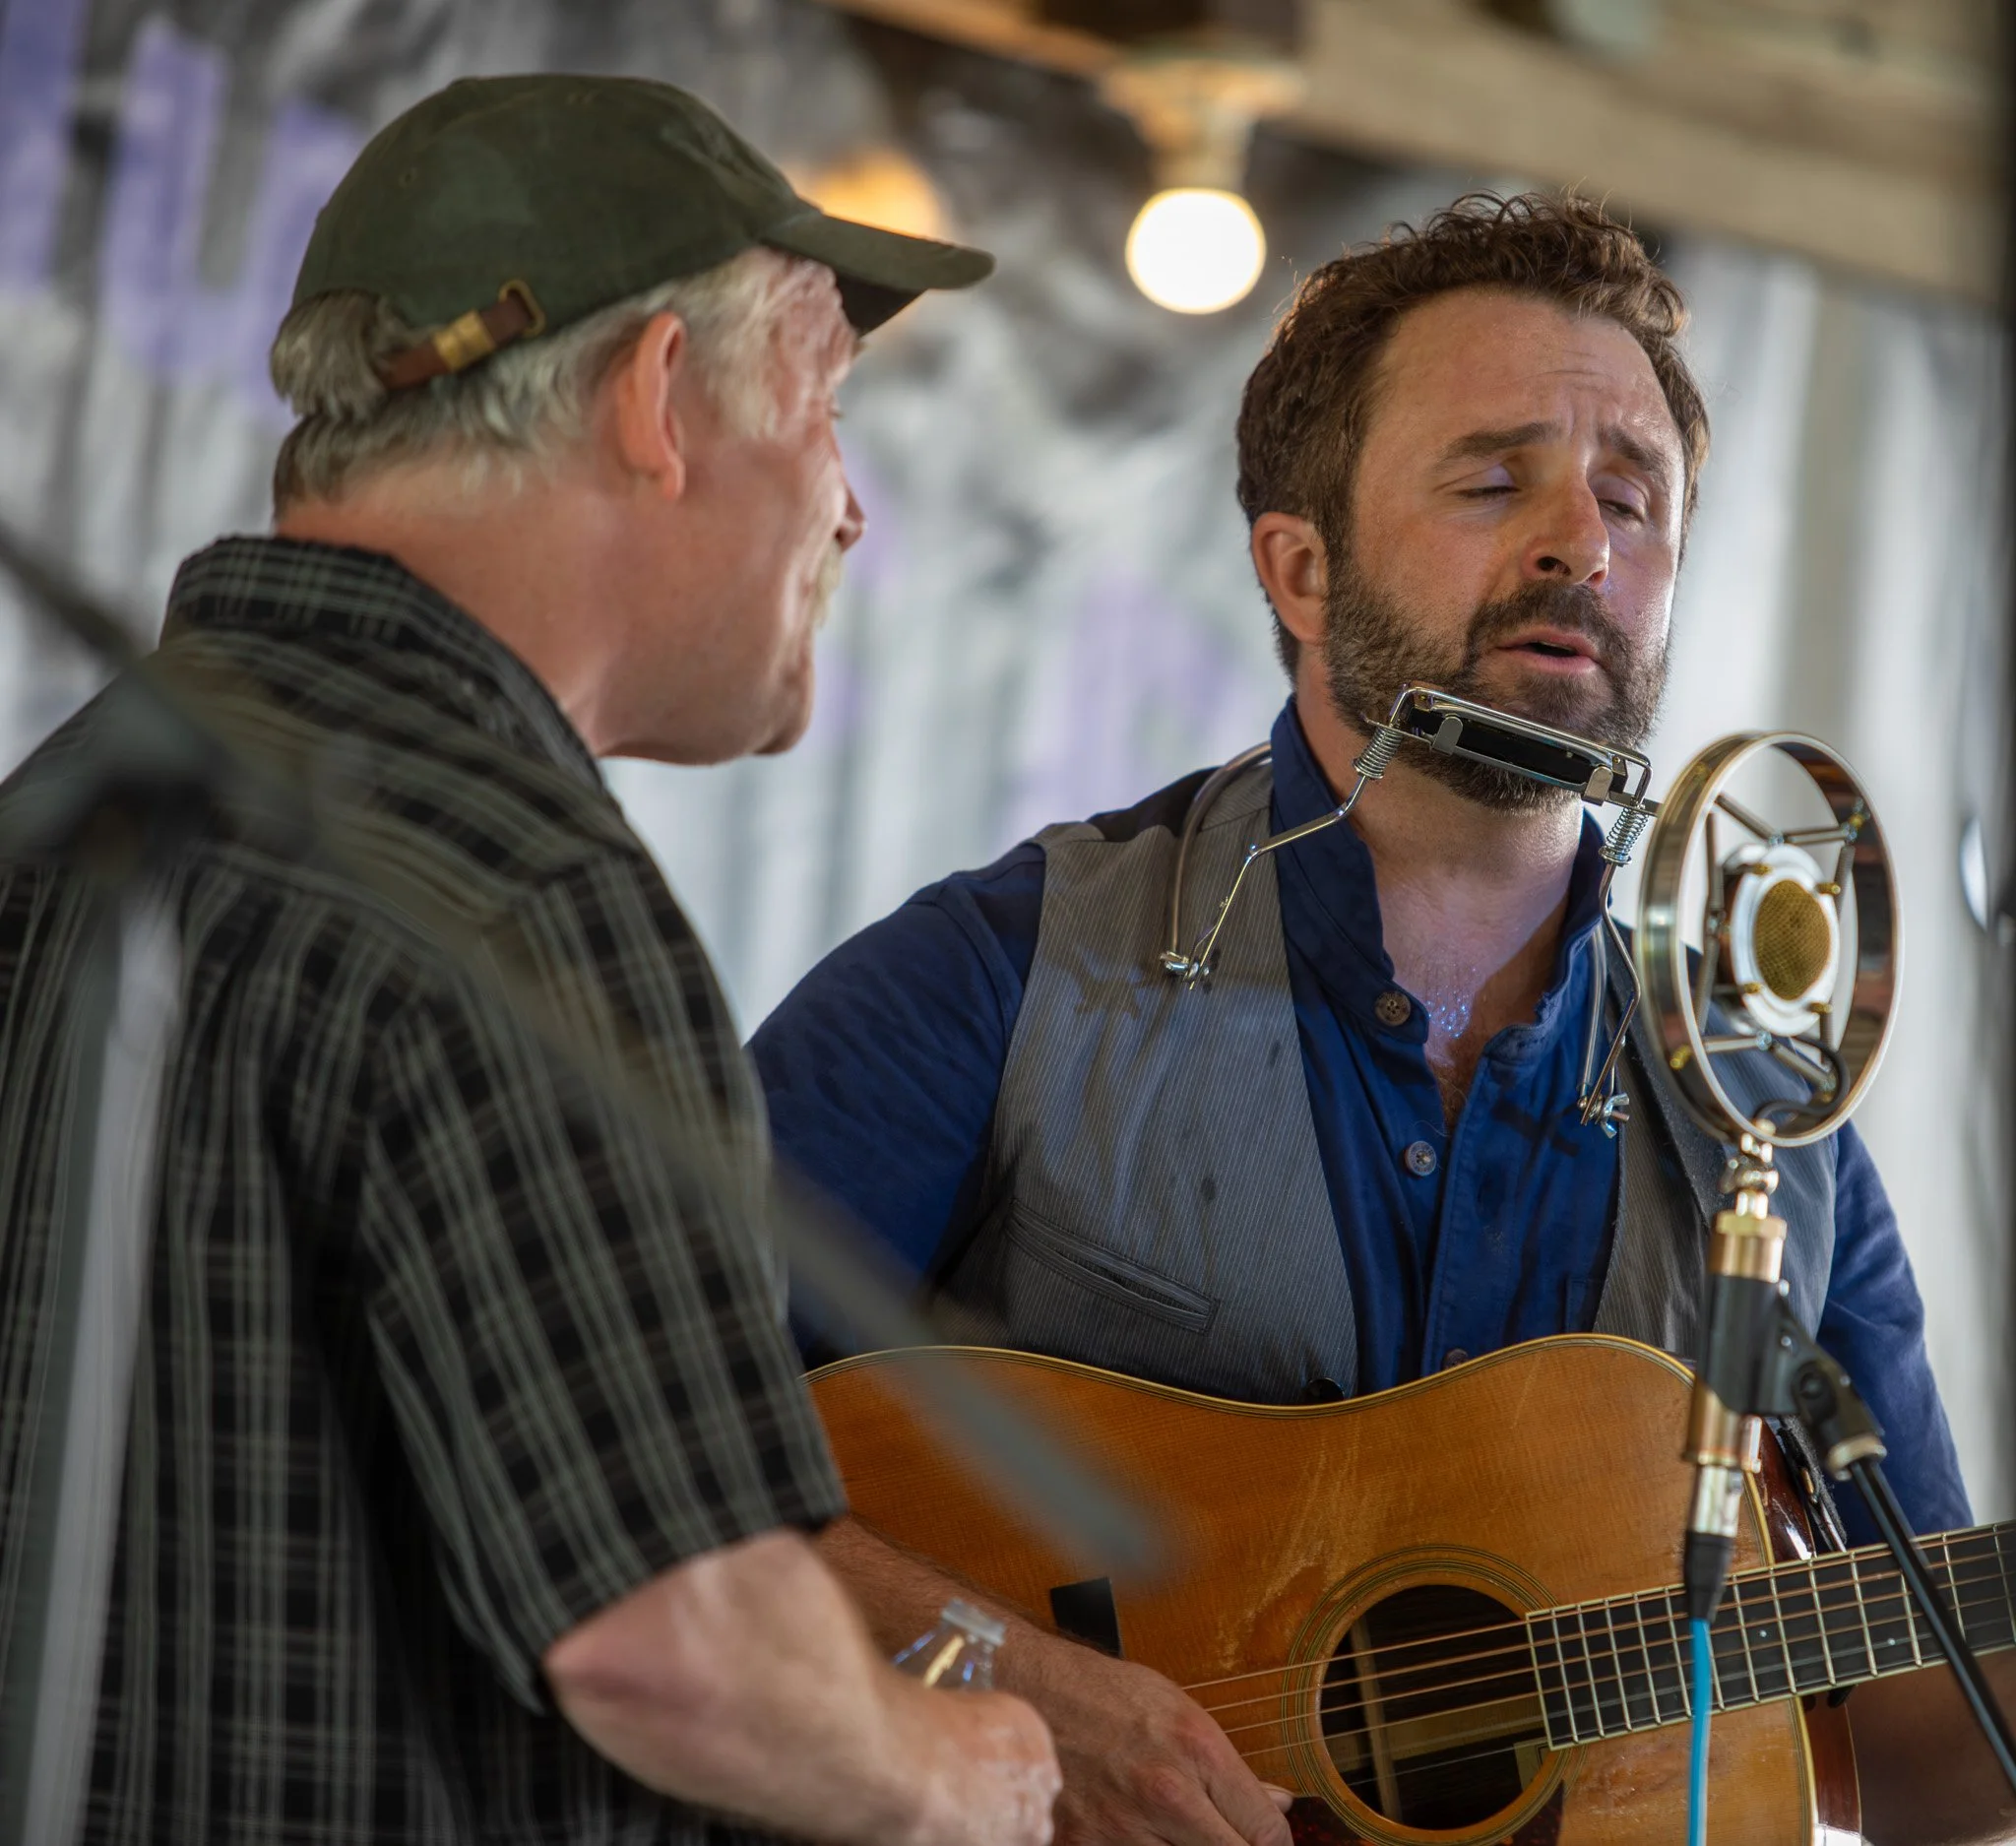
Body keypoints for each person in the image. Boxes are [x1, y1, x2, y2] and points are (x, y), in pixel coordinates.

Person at [753, 194, 2013, 1844]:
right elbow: (619, 1465)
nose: (1586, 542)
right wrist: (1030, 1684)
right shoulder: (998, 971)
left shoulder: (1763, 1111)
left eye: (1636, 500)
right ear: (1299, 563)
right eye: (1497, 481)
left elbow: (1944, 1764)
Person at [0, 75, 1060, 1846]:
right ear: (655, 395)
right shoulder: (511, 883)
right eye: (830, 413)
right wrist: (960, 1769)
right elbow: (678, 1642)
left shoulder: (65, 803)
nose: (853, 510)